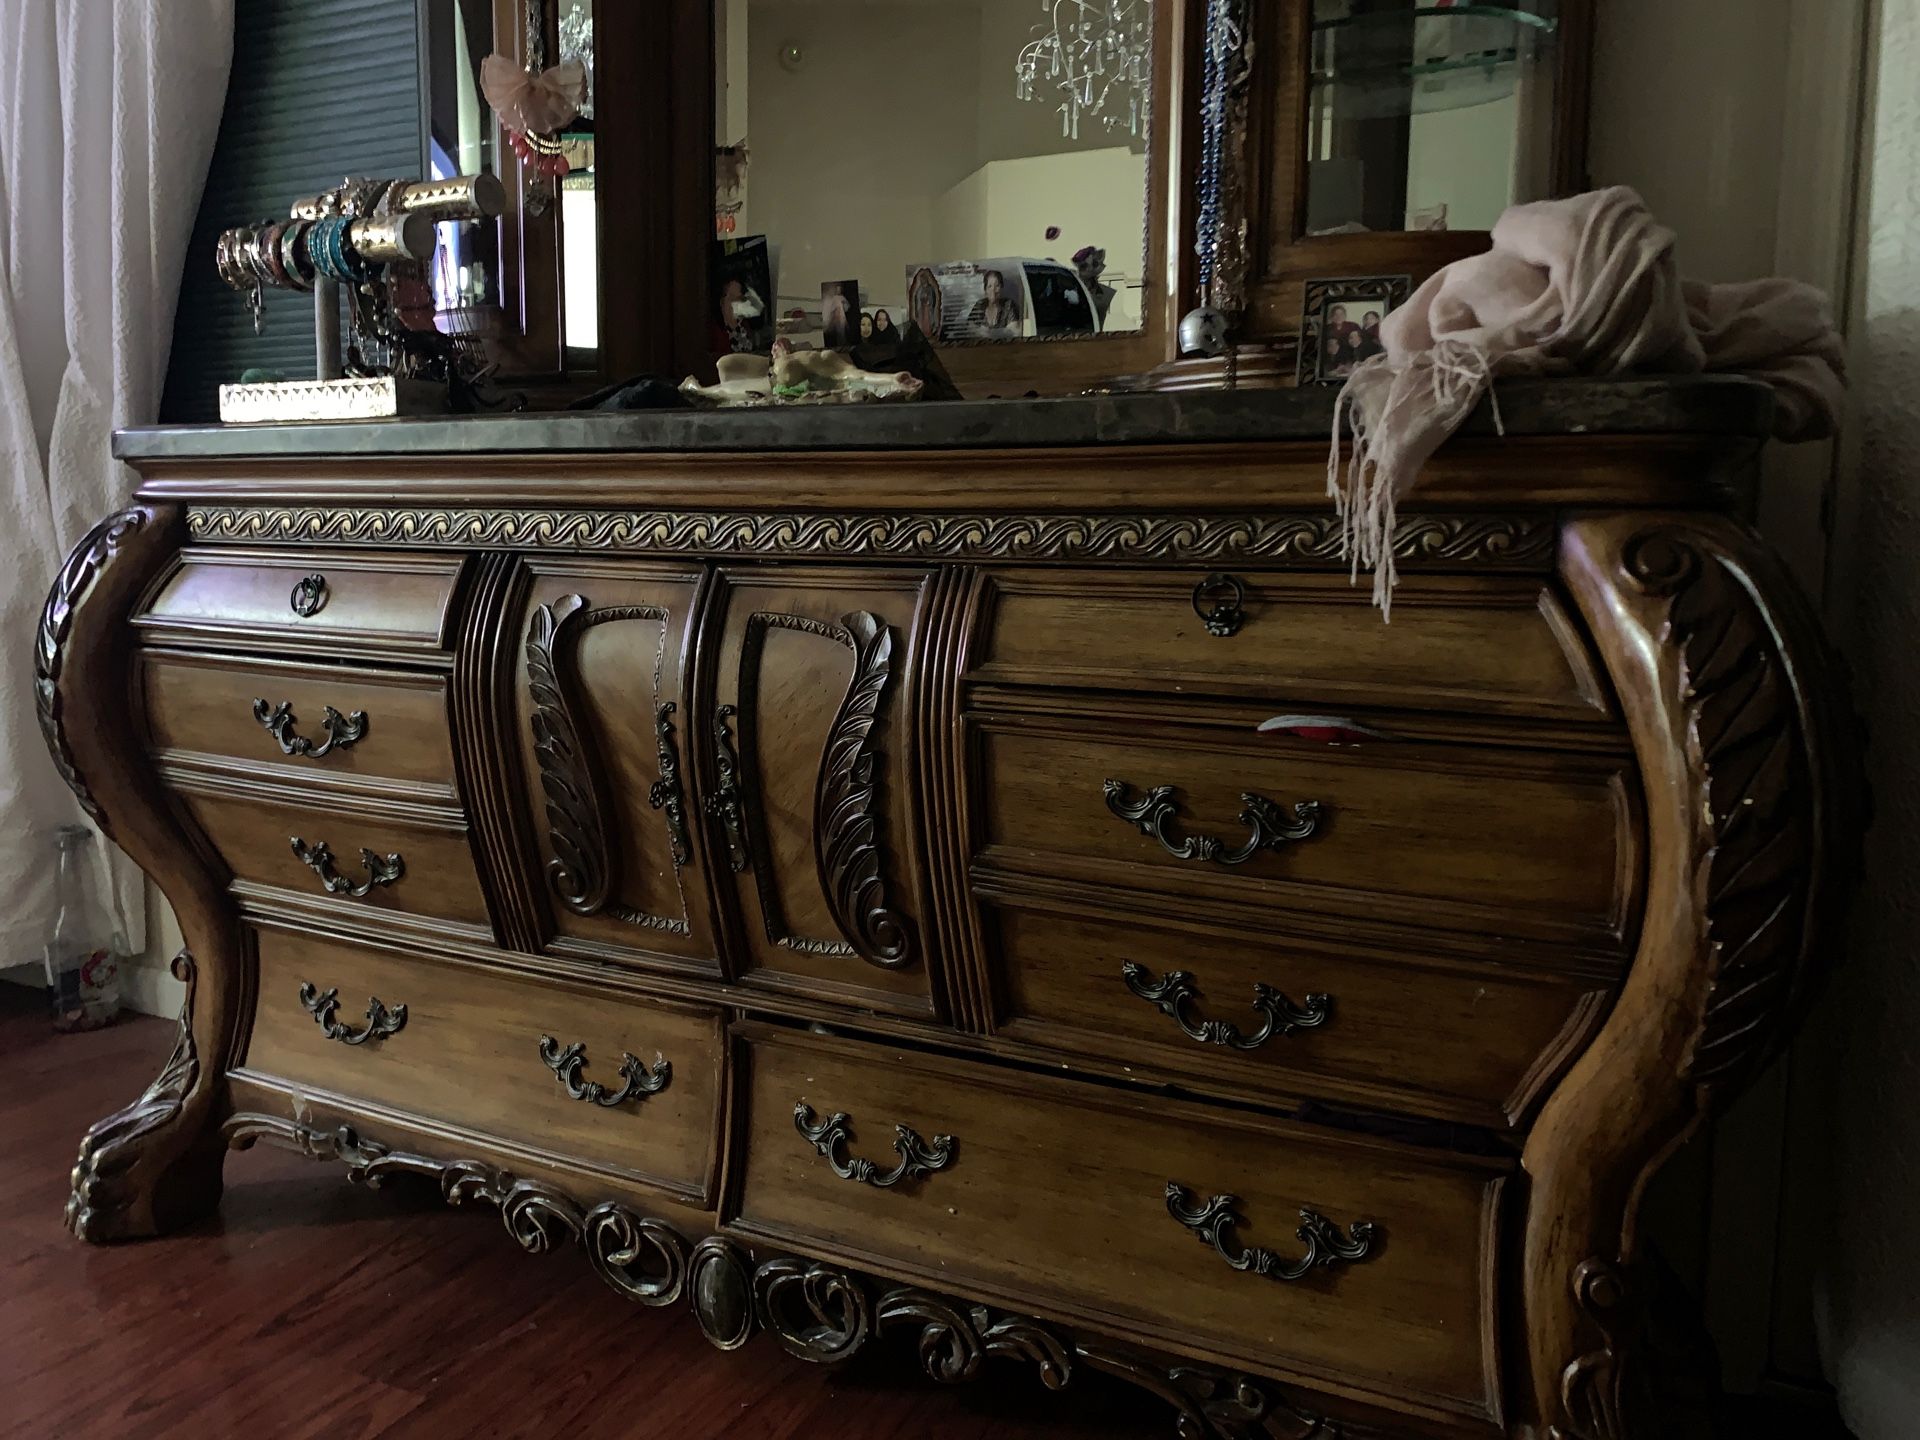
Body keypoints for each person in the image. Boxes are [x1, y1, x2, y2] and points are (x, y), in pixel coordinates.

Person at [966, 269, 1022, 337]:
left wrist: (988, 333)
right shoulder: (980, 305)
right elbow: (969, 328)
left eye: (997, 286)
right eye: (990, 286)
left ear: (1001, 288)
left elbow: (1015, 331)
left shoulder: (1009, 305)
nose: (993, 290)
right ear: (985, 289)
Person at [1072, 246, 1116, 326]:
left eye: (1084, 266)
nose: (1081, 272)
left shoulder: (1108, 293)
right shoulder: (1071, 291)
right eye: (1081, 267)